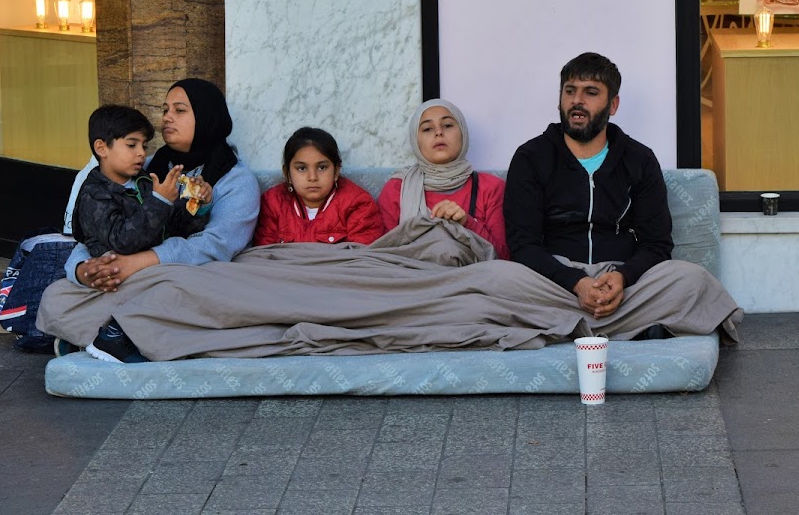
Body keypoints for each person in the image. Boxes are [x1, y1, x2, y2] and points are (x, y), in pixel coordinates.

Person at [504, 52, 742, 340]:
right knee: (494, 278)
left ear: (612, 105)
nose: (577, 101)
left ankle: (565, 327)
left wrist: (622, 277)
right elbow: (524, 245)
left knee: (690, 279)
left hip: (621, 285)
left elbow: (657, 244)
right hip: (555, 282)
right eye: (570, 91)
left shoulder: (638, 159)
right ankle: (630, 327)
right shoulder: (531, 157)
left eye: (590, 92)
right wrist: (576, 282)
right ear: (560, 99)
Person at [36, 78, 261, 361]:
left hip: (192, 275)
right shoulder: (145, 164)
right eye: (165, 109)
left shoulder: (236, 180)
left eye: (179, 110)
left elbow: (215, 246)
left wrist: (139, 261)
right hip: (128, 271)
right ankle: (124, 336)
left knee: (175, 290)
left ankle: (100, 337)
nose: (167, 117)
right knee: (56, 297)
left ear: (207, 117)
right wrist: (84, 269)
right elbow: (99, 229)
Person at [72, 105, 209, 259]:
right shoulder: (94, 194)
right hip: (119, 274)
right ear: (101, 148)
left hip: (156, 264)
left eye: (144, 146)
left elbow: (177, 228)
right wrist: (160, 202)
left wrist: (198, 202)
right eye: (131, 145)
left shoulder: (145, 181)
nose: (142, 153)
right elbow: (123, 242)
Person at [378, 99, 508, 260]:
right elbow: (382, 255)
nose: (438, 132)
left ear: (463, 133)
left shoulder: (490, 187)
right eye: (427, 128)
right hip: (412, 278)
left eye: (447, 125)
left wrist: (467, 222)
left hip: (471, 279)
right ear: (415, 141)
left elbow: (502, 257)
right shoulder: (398, 188)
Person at [253, 127, 384, 246]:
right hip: (282, 272)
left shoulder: (358, 204)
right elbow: (263, 258)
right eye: (302, 168)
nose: (313, 177)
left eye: (322, 167)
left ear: (336, 171)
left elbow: (363, 261)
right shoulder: (272, 203)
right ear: (287, 173)